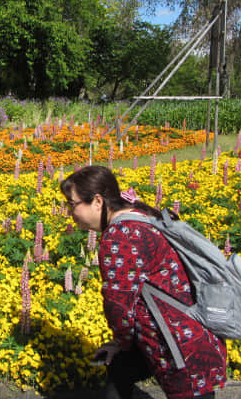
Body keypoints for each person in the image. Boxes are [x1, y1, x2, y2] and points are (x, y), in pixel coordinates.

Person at [61, 165, 226, 399]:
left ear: (97, 201)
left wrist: (120, 341)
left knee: (122, 372)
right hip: (188, 333)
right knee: (119, 373)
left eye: (72, 204)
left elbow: (118, 304)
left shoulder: (121, 235)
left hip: (179, 346)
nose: (70, 212)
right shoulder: (139, 214)